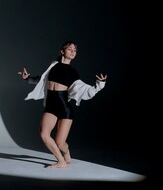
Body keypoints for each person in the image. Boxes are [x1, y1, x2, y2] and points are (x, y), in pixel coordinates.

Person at [18, 40, 107, 169]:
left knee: (60, 143)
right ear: (62, 51)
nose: (73, 52)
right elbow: (42, 80)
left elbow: (86, 90)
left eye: (75, 50)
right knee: (44, 134)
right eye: (70, 49)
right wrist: (28, 78)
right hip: (50, 107)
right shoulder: (53, 66)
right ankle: (61, 161)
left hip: (64, 108)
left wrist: (100, 84)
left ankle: (66, 152)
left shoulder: (72, 72)